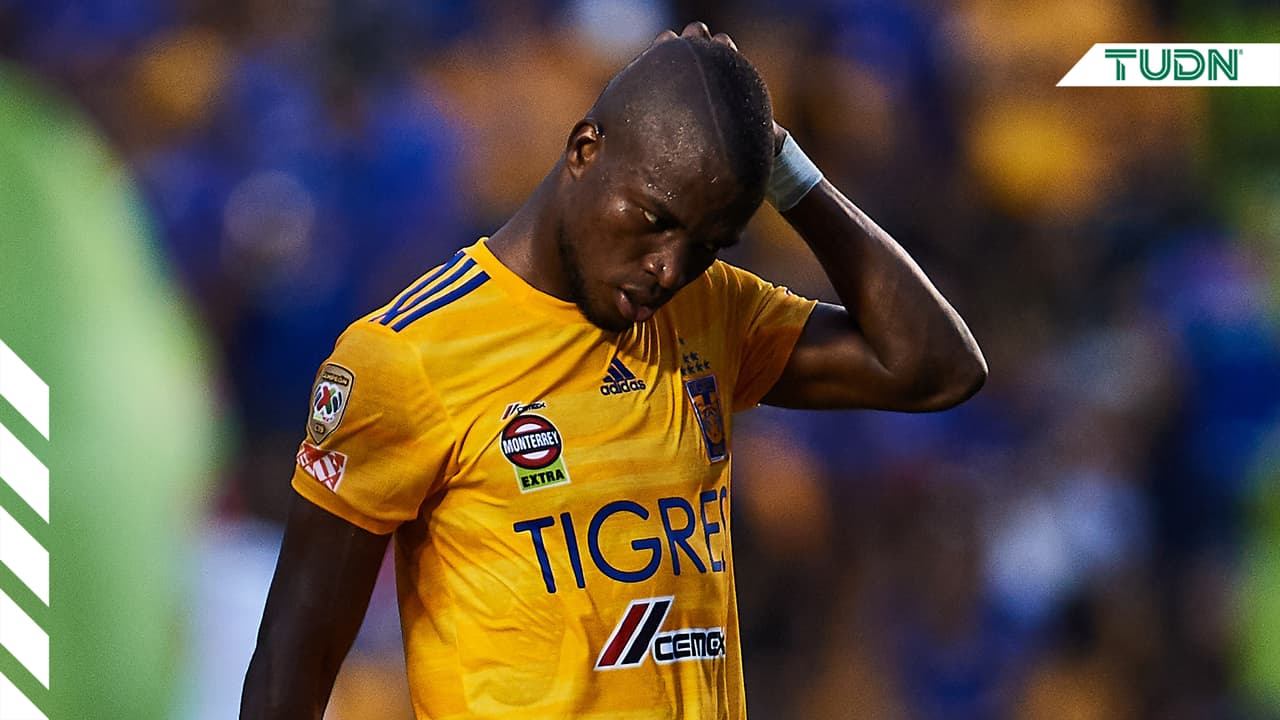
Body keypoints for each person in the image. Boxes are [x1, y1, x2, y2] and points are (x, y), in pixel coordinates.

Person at [241, 22, 985, 719]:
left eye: (707, 245)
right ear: (584, 149)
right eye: (654, 219)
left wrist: (784, 168)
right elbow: (293, 658)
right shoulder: (407, 356)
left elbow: (936, 367)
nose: (668, 268)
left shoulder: (708, 310)